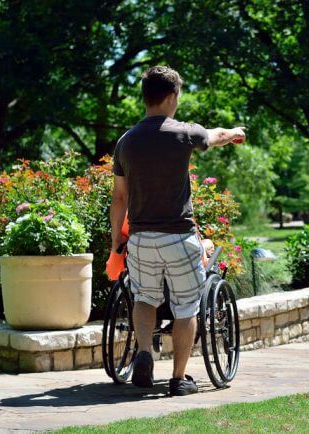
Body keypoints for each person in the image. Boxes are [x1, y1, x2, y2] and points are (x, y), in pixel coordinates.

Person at [109, 65, 245, 396]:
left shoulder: (126, 142)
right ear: (172, 96)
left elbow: (119, 197)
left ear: (145, 97)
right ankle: (179, 378)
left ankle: (144, 352)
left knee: (144, 298)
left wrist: (117, 242)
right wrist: (233, 132)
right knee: (185, 308)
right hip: (179, 236)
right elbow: (215, 135)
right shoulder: (184, 132)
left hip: (141, 239)